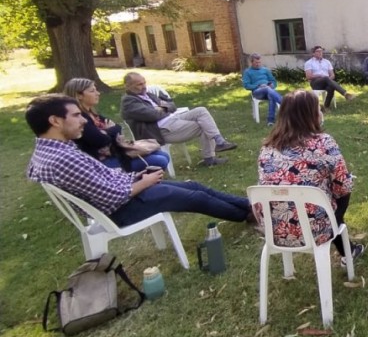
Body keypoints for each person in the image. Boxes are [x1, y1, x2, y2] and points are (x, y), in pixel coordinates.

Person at [25, 95, 256, 227]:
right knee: (194, 196)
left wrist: (137, 176)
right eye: (76, 116)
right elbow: (112, 197)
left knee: (194, 186)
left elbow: (104, 179)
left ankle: (251, 205)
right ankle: (249, 215)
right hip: (121, 210)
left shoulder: (50, 149)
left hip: (123, 193)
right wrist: (146, 181)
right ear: (55, 121)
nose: (83, 121)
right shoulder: (63, 158)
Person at [258, 90, 364, 266]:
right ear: (311, 115)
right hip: (315, 229)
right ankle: (340, 235)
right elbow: (343, 186)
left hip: (274, 229)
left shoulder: (267, 148)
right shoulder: (324, 143)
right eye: (317, 109)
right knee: (340, 188)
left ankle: (344, 242)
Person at [120, 72, 236, 167]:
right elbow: (152, 115)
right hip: (161, 130)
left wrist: (160, 108)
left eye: (144, 82)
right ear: (128, 86)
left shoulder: (148, 94)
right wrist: (162, 108)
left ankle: (219, 141)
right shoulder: (129, 102)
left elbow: (172, 105)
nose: (144, 86)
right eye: (139, 84)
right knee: (204, 125)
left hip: (173, 119)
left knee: (201, 111)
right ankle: (210, 158)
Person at [63, 78, 170, 173]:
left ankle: (147, 184)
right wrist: (110, 131)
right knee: (160, 160)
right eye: (92, 91)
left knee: (161, 154)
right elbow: (101, 140)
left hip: (116, 153)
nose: (98, 93)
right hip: (101, 164)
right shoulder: (80, 118)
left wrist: (108, 131)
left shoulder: (93, 114)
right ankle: (139, 188)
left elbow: (117, 128)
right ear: (79, 95)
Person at [243, 53, 282, 126]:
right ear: (251, 62)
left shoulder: (265, 70)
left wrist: (272, 85)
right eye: (256, 62)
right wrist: (258, 85)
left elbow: (274, 81)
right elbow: (246, 85)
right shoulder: (247, 72)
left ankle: (270, 121)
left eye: (259, 62)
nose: (258, 64)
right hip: (257, 91)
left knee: (271, 94)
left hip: (268, 90)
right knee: (268, 89)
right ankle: (284, 103)